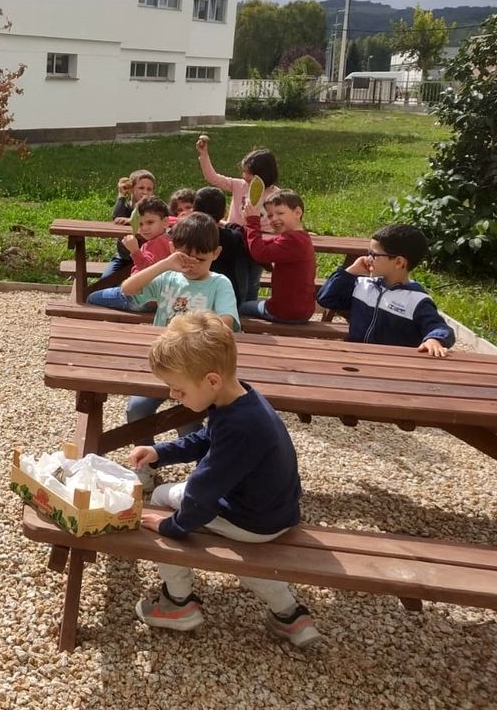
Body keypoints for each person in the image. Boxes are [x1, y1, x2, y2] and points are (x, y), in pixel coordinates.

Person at [128, 311, 319, 649]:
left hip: (251, 521)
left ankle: (178, 603)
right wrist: (161, 453)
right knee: (242, 555)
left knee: (158, 501)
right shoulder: (240, 398)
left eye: (179, 390)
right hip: (275, 513)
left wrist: (172, 527)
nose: (174, 396)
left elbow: (203, 490)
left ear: (211, 380)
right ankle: (290, 616)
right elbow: (205, 440)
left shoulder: (238, 426)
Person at [120, 212, 240, 488]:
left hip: (196, 371)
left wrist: (192, 331)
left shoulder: (219, 283)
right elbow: (128, 289)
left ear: (216, 254)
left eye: (201, 258)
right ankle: (146, 465)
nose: (193, 264)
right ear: (174, 249)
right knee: (137, 409)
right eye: (186, 257)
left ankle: (203, 472)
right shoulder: (169, 278)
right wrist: (165, 264)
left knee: (188, 421)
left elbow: (226, 323)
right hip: (163, 366)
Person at [316, 224, 455, 357]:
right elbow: (326, 298)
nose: (367, 258)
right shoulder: (363, 285)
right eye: (368, 253)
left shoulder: (416, 300)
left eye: (374, 255)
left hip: (392, 366)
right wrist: (349, 273)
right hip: (355, 357)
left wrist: (434, 339)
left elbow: (439, 327)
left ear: (399, 262)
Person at [239, 190, 316, 323]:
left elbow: (260, 253)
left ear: (298, 212)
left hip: (284, 312)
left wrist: (252, 222)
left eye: (280, 213)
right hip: (303, 309)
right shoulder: (301, 237)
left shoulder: (293, 240)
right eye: (269, 216)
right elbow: (265, 247)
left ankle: (250, 341)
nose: (274, 219)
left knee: (240, 308)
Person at [86, 196, 173, 312]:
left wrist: (135, 251)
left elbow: (148, 271)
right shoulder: (167, 240)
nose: (145, 228)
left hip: (139, 299)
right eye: (141, 224)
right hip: (157, 298)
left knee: (91, 298)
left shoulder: (155, 244)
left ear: (165, 222)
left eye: (150, 222)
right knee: (115, 289)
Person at [196, 135, 279, 227]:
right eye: (244, 172)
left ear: (264, 173)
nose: (245, 176)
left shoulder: (276, 195)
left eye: (249, 173)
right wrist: (203, 154)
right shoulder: (239, 185)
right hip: (233, 235)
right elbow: (212, 178)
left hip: (256, 237)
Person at [197, 186, 253, 306]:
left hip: (196, 294)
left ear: (194, 209)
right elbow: (240, 232)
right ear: (224, 212)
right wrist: (228, 224)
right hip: (226, 297)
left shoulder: (187, 235)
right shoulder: (232, 237)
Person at [102, 169, 157, 282]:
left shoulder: (155, 209)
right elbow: (116, 218)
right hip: (123, 258)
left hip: (146, 259)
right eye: (141, 188)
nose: (145, 192)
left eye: (149, 189)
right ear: (131, 189)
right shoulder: (125, 207)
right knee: (104, 281)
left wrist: (132, 221)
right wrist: (121, 195)